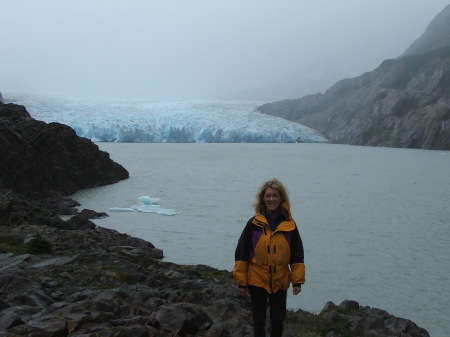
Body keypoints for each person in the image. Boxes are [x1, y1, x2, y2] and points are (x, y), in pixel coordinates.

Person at [233, 178, 305, 337]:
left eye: (275, 196)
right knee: (258, 320)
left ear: (281, 199)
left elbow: (297, 255)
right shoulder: (253, 224)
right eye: (268, 196)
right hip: (257, 278)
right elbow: (242, 253)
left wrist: (297, 281)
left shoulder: (290, 226)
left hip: (280, 279)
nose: (271, 199)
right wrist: (242, 283)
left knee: (278, 320)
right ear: (263, 199)